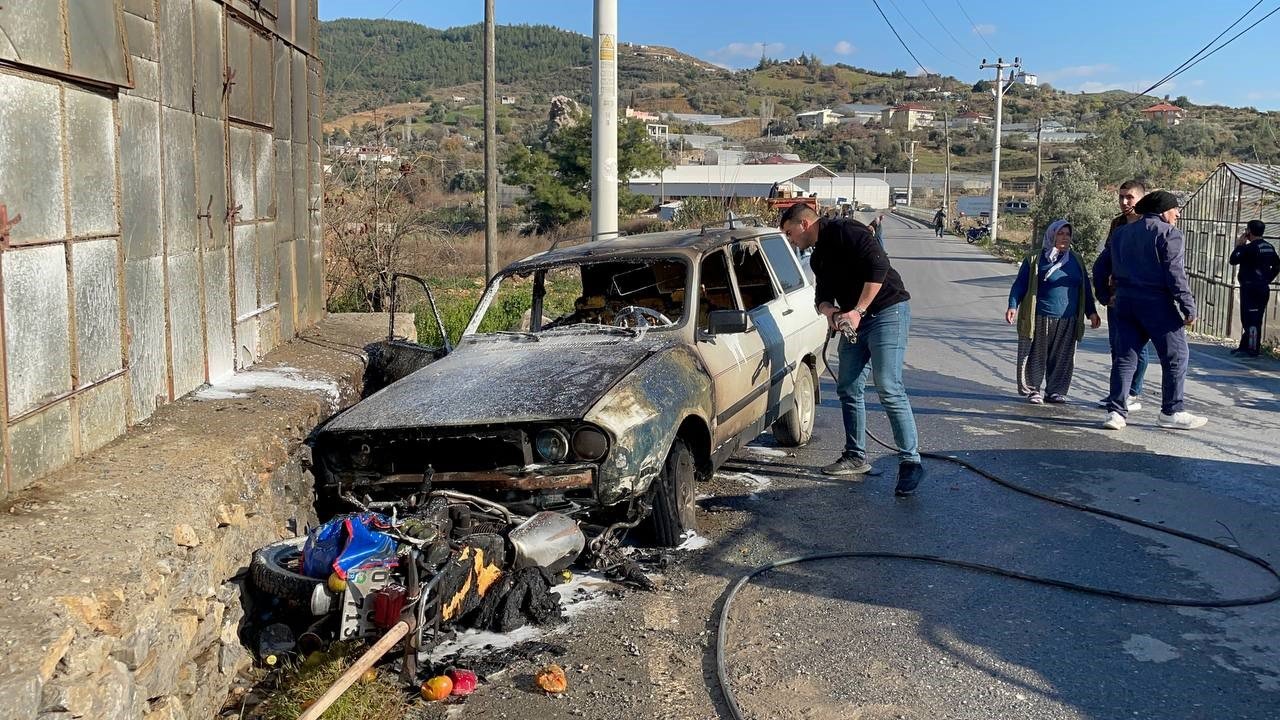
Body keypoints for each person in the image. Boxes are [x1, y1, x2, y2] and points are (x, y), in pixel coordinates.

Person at [778, 203, 924, 496]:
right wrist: (831, 313)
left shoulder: (847, 230)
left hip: (887, 312)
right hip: (853, 322)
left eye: (789, 232)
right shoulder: (818, 257)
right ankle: (856, 456)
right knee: (848, 386)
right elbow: (821, 297)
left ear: (804, 224)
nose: (790, 239)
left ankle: (911, 461)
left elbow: (879, 267)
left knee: (887, 385)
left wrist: (857, 310)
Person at [1093, 190, 1206, 430]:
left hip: (1124, 302)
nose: (1178, 214)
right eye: (1176, 209)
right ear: (1164, 210)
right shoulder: (1169, 233)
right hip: (1155, 303)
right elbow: (1175, 273)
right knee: (1177, 355)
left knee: (1125, 358)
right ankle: (1171, 411)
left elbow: (1100, 266)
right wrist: (1188, 306)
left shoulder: (1121, 233)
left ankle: (1116, 413)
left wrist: (1104, 296)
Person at [1005, 220, 1101, 403]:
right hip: (1040, 316)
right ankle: (1033, 389)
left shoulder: (1076, 260)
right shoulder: (1034, 259)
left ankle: (1055, 390)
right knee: (1036, 355)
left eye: (1067, 234)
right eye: (1060, 233)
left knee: (1063, 357)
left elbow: (1085, 289)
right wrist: (1012, 305)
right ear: (1051, 235)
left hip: (1068, 319)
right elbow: (1020, 284)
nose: (1064, 237)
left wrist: (1092, 312)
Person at [1095, 180, 1152, 411]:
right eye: (1121, 197)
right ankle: (1118, 392)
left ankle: (1132, 392)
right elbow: (1106, 258)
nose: (1124, 201)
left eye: (1129, 197)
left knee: (1137, 347)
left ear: (1140, 199)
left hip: (1142, 296)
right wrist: (1105, 292)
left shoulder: (1149, 223)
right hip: (1116, 295)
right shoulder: (1116, 224)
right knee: (1116, 345)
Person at [1229, 219, 1280, 357]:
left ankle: (1252, 349)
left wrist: (1239, 245)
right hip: (1262, 288)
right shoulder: (1269, 247)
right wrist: (1267, 279)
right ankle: (1245, 347)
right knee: (1256, 318)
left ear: (1249, 231)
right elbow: (1277, 265)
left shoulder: (1249, 248)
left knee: (1249, 319)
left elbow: (1233, 260)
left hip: (1250, 288)